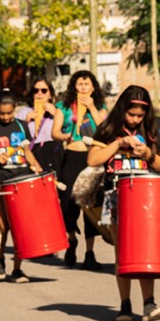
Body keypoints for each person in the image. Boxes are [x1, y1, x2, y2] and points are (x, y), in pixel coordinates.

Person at [86, 85, 160, 321]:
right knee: (122, 250)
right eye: (131, 114)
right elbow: (93, 159)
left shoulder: (152, 130)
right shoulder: (108, 129)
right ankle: (125, 305)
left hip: (145, 197)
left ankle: (149, 303)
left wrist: (147, 154)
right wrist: (118, 144)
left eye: (139, 116)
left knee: (145, 249)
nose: (135, 119)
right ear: (122, 109)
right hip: (115, 195)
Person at [0, 91, 42, 283]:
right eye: (2, 113)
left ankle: (17, 268)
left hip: (22, 179)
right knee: (3, 225)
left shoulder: (22, 126)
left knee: (20, 225)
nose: (6, 117)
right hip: (2, 180)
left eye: (9, 113)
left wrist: (37, 167)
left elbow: (27, 151)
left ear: (14, 109)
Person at [53, 71, 108, 270]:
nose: (83, 87)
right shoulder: (64, 107)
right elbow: (55, 131)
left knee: (91, 205)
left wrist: (92, 107)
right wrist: (65, 135)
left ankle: (90, 252)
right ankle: (71, 239)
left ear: (93, 87)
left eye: (87, 84)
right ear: (73, 86)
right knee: (68, 202)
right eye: (80, 84)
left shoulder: (100, 107)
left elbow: (105, 128)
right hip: (72, 157)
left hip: (92, 159)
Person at [18, 78, 62, 173]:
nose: (39, 93)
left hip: (53, 150)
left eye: (44, 90)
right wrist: (25, 122)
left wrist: (56, 113)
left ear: (50, 95)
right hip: (31, 151)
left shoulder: (59, 110)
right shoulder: (24, 111)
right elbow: (14, 134)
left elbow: (68, 129)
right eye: (36, 90)